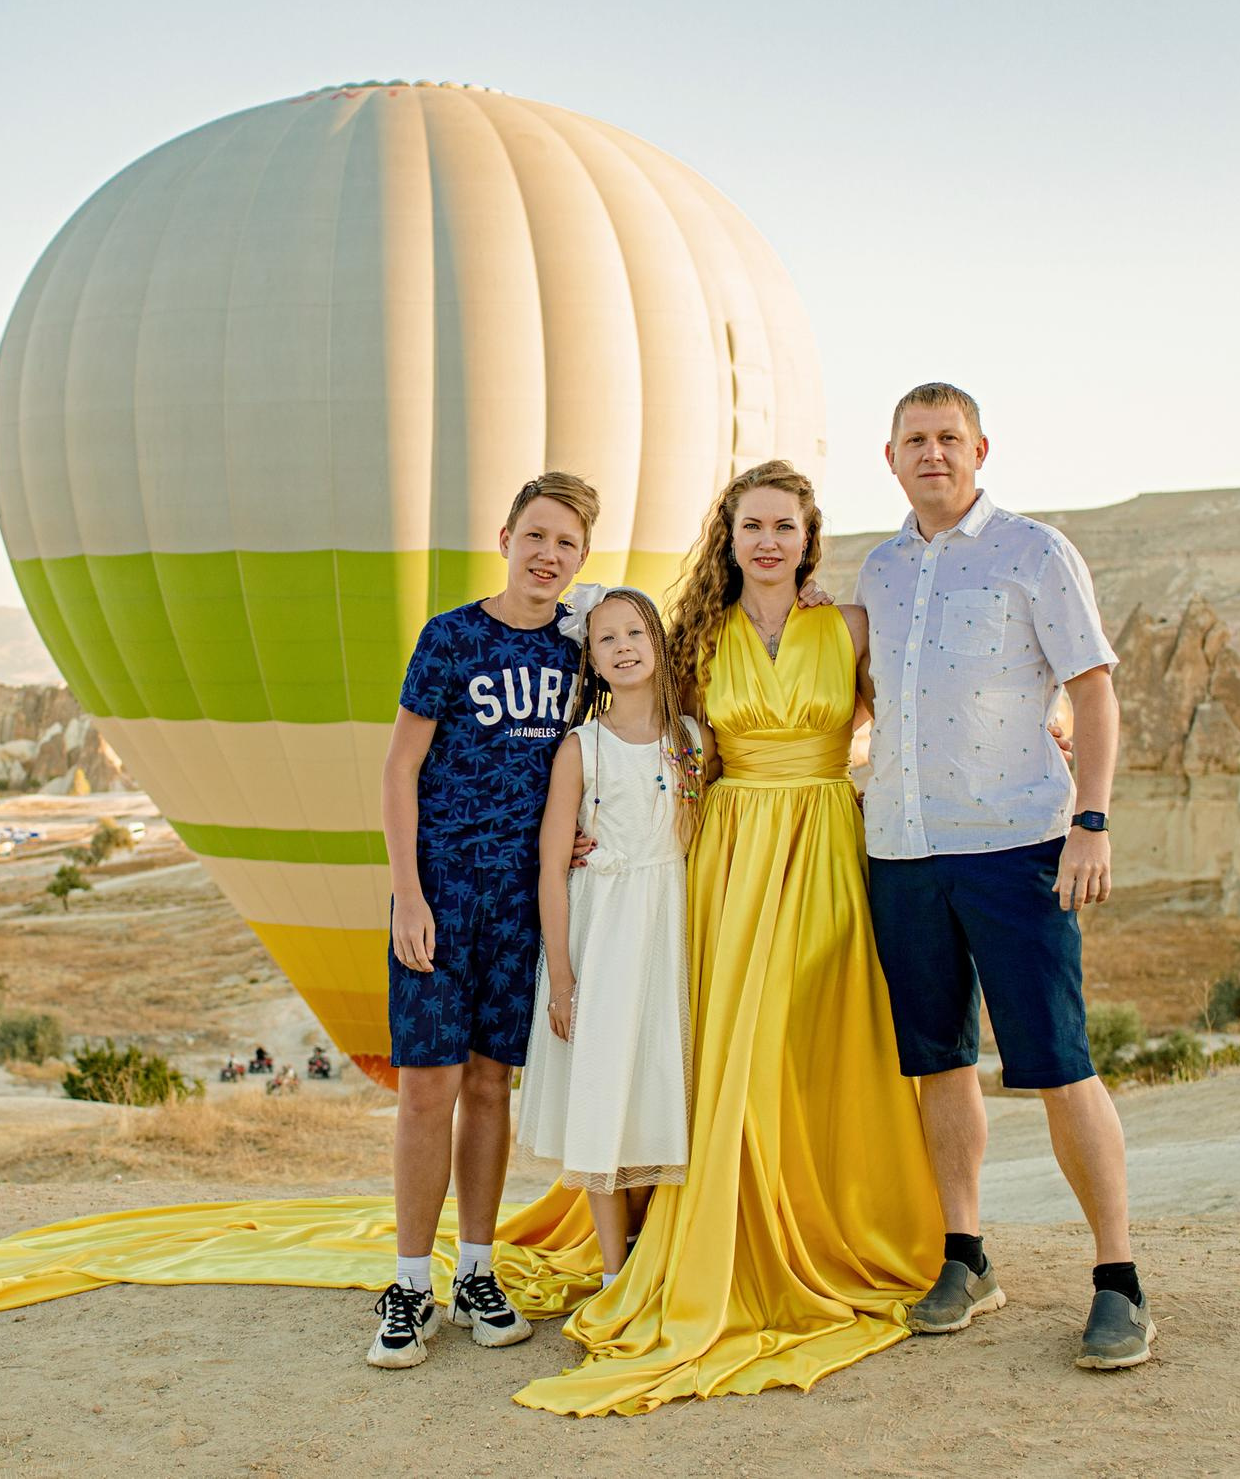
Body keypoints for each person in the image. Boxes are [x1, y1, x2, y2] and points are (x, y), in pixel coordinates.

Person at [512, 459, 942, 1416]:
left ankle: (834, 1215)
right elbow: (656, 741)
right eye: (753, 525)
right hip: (731, 852)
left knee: (810, 1036)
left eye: (785, 526)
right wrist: (597, 831)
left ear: (808, 535)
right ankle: (719, 1223)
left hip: (827, 838)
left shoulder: (849, 625)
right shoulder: (697, 637)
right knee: (728, 1047)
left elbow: (901, 718)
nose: (769, 542)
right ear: (729, 536)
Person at [855, 382, 1151, 1370]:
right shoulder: (882, 570)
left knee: (1057, 1063)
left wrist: (1092, 822)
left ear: (980, 448)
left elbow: (1093, 695)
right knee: (938, 1062)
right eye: (914, 439)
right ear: (888, 456)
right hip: (900, 847)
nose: (931, 452)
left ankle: (1117, 1280)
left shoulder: (1034, 552)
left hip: (1017, 843)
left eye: (948, 438)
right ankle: (966, 1254)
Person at [370, 470, 597, 1368]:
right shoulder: (451, 638)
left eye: (567, 544)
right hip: (442, 892)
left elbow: (602, 755)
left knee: (494, 1085)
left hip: (522, 901)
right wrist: (409, 893)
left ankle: (475, 1267)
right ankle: (408, 1283)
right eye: (536, 536)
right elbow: (398, 772)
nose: (548, 556)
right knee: (428, 1083)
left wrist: (581, 834)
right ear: (506, 535)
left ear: (583, 558)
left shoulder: (578, 655)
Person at [515, 587, 700, 1287]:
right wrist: (562, 977)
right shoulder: (580, 747)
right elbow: (552, 869)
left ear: (657, 641)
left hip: (668, 928)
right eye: (605, 639)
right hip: (605, 935)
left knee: (658, 1080)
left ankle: (655, 1249)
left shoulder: (691, 738)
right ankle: (614, 1271)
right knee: (603, 1087)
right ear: (590, 660)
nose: (623, 647)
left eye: (634, 632)